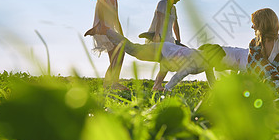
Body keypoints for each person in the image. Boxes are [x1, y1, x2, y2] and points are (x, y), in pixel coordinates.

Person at [85, 23, 225, 92]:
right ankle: (105, 30)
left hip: (170, 57)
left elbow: (212, 82)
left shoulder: (207, 64)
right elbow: (180, 75)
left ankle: (156, 87)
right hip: (163, 50)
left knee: (166, 66)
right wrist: (168, 89)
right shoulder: (197, 62)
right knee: (134, 50)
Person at [84, 0, 129, 90]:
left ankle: (110, 84)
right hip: (102, 29)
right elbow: (101, 10)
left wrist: (122, 35)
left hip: (111, 30)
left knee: (116, 55)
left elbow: (116, 18)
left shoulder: (115, 0)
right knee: (117, 54)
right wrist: (103, 25)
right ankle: (113, 84)